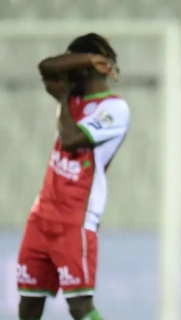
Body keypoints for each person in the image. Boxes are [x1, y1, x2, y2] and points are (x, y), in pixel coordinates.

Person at [17, 33, 130, 320]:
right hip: (41, 216)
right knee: (28, 304)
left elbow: (70, 140)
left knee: (79, 305)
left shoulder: (115, 108)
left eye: (71, 67)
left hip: (76, 219)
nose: (64, 75)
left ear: (86, 70)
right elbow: (45, 67)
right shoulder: (72, 99)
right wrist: (85, 61)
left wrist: (64, 95)